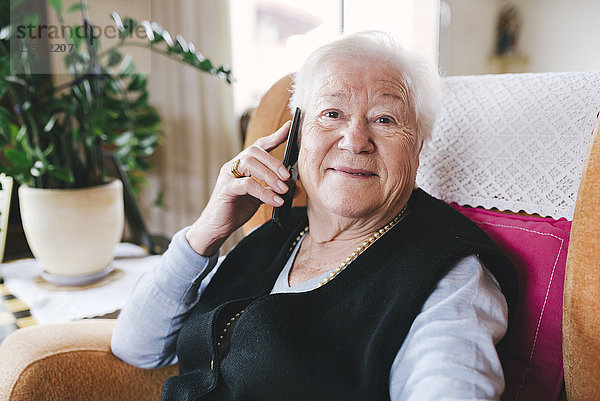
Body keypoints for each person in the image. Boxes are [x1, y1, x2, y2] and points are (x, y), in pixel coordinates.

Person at [112, 31, 517, 400]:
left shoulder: (450, 274)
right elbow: (137, 347)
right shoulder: (276, 234)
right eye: (332, 114)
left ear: (418, 147)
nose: (356, 140)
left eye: (384, 119)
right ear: (296, 136)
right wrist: (206, 233)